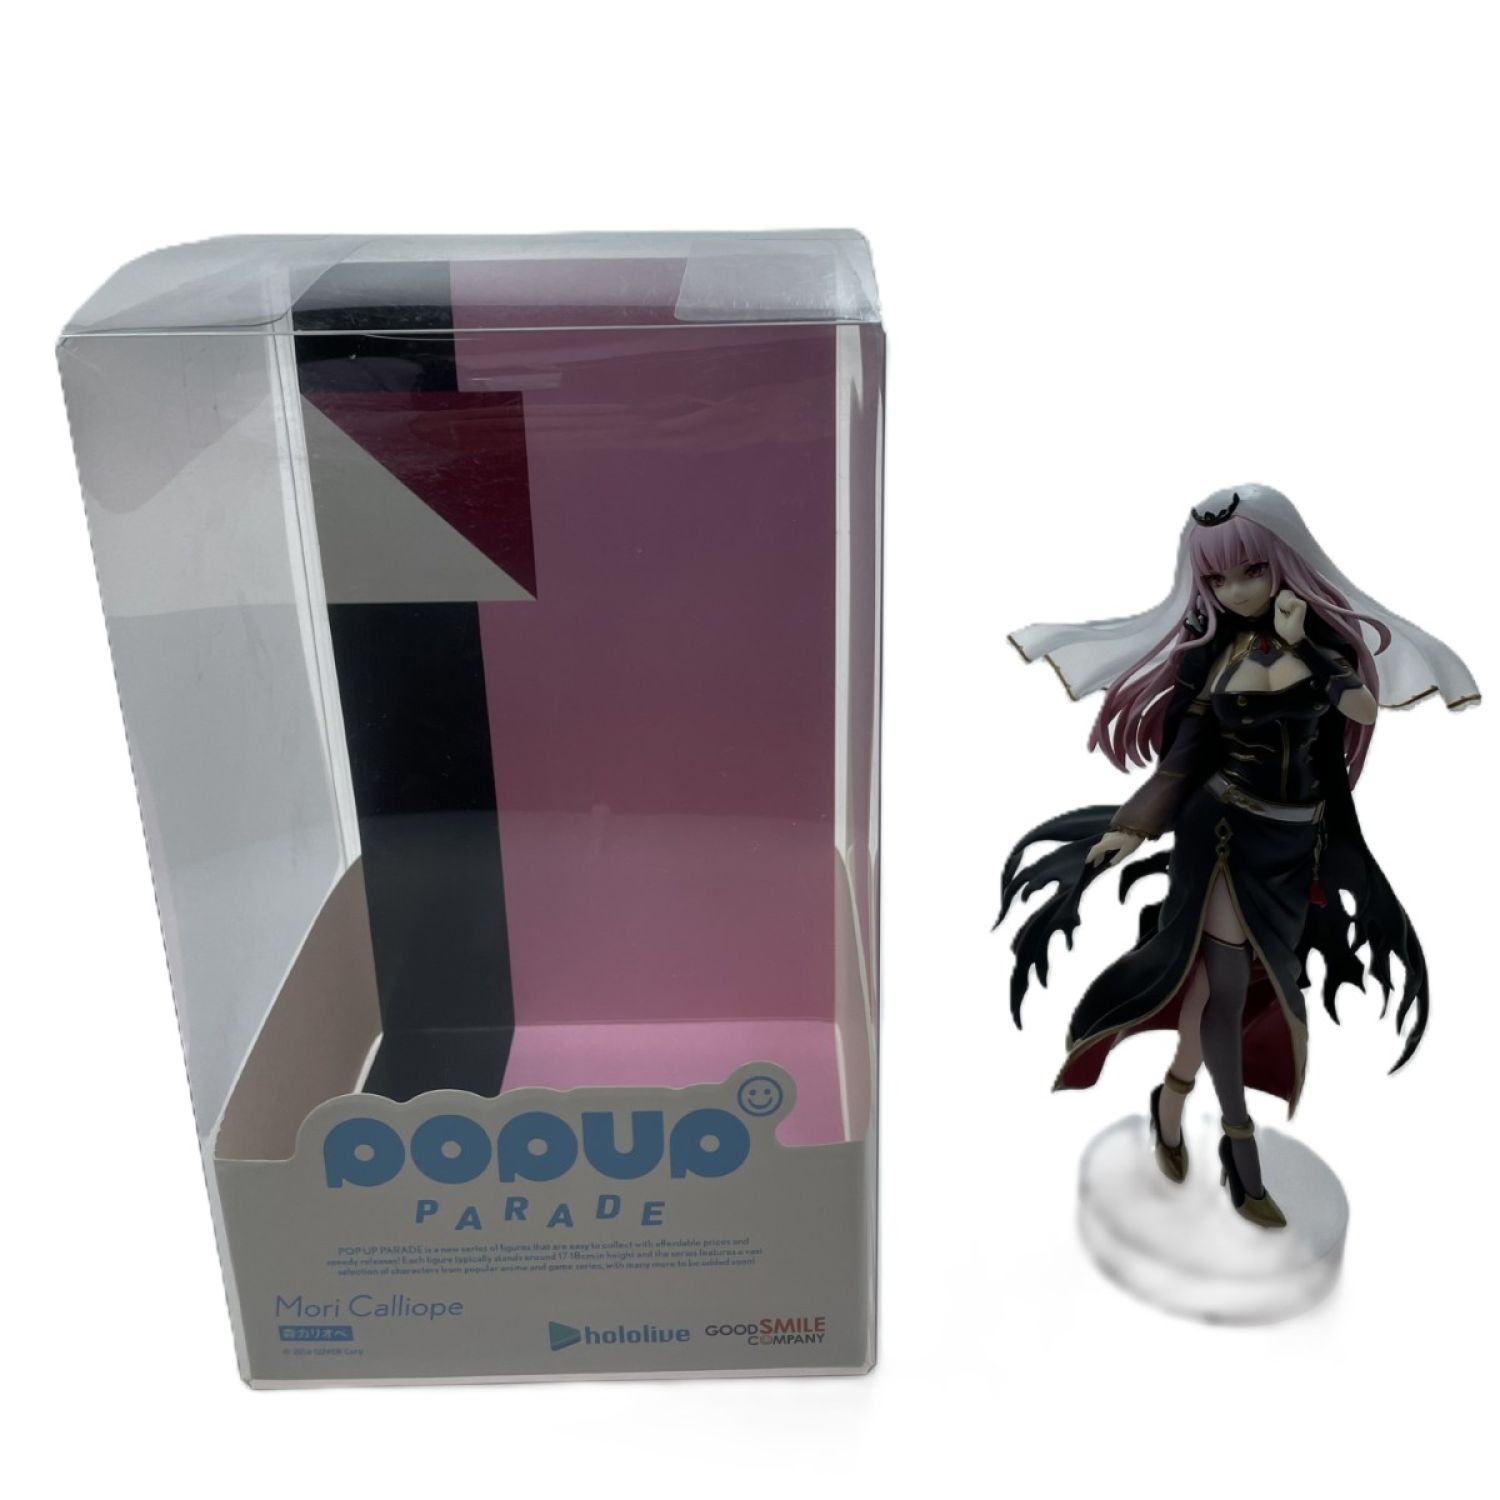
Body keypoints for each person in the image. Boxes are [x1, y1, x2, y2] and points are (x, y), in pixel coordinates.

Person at [998, 485, 1479, 1227]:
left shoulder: (1322, 649)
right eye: (1218, 577)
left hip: (1295, 845)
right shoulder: (1211, 658)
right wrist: (1133, 826)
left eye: (1251, 570)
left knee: (1240, 986)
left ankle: (1172, 1093)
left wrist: (1301, 643)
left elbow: (1360, 707)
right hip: (1222, 834)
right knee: (1226, 985)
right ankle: (1240, 1152)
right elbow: (1181, 761)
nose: (1235, 590)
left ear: (1286, 561)